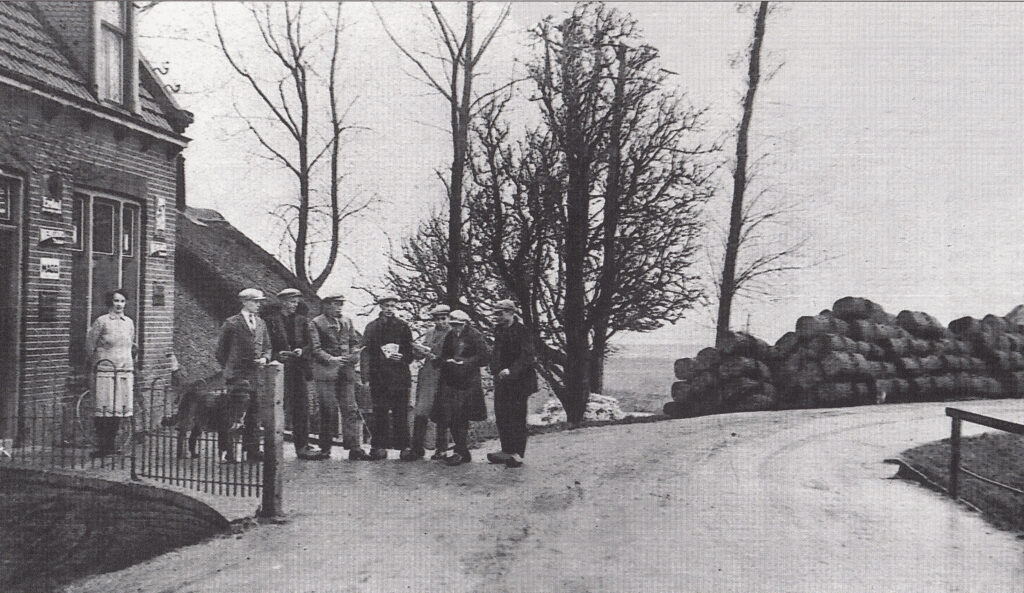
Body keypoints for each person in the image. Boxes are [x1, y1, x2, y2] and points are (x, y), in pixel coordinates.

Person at [309, 292, 370, 460]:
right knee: (327, 409)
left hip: (346, 371)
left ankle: (355, 448)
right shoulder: (316, 323)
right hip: (326, 372)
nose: (339, 308)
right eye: (335, 304)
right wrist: (331, 359)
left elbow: (354, 342)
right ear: (326, 305)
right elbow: (315, 348)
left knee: (351, 409)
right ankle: (325, 448)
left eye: (341, 304)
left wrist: (355, 354)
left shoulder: (347, 321)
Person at [215, 288, 272, 463]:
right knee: (234, 414)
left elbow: (267, 347)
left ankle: (252, 450)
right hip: (238, 376)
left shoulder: (261, 323)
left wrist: (264, 358)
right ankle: (228, 451)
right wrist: (231, 368)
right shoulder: (231, 323)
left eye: (259, 302)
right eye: (255, 301)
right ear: (245, 302)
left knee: (254, 413)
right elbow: (220, 351)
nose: (258, 305)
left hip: (256, 376)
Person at [264, 288, 321, 460]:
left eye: (296, 302)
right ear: (282, 302)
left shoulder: (302, 321)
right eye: (291, 301)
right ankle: (271, 447)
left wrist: (301, 351)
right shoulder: (271, 321)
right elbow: (265, 344)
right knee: (275, 407)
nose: (295, 305)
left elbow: (310, 345)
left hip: (297, 368)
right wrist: (276, 355)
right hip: (277, 369)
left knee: (301, 407)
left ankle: (302, 446)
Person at [361, 293, 414, 460]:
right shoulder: (372, 327)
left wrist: (403, 357)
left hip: (399, 377)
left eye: (392, 306)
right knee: (380, 412)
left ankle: (404, 447)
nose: (389, 309)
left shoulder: (403, 326)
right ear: (381, 307)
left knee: (401, 412)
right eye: (386, 306)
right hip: (379, 377)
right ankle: (378, 446)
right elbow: (366, 352)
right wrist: (366, 377)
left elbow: (410, 351)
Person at [85, 289, 136, 457]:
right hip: (105, 371)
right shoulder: (102, 321)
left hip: (123, 371)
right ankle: (103, 446)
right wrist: (96, 362)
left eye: (122, 301)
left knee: (118, 409)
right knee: (104, 408)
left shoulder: (129, 322)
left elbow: (130, 343)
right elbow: (90, 344)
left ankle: (112, 445)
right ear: (110, 303)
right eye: (116, 301)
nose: (119, 304)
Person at [434, 310, 489, 466]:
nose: (456, 327)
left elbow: (484, 356)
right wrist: (445, 361)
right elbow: (445, 354)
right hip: (451, 379)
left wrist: (465, 362)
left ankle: (461, 451)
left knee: (462, 415)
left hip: (468, 381)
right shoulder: (450, 335)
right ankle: (461, 451)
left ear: (465, 323)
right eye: (453, 324)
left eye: (459, 325)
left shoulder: (475, 335)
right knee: (450, 415)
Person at [487, 299, 537, 468]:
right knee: (502, 415)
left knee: (517, 417)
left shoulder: (523, 331)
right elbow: (496, 352)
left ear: (510, 312)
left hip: (520, 381)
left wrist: (511, 370)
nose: (497, 317)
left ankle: (517, 453)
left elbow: (527, 356)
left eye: (500, 313)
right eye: (496, 314)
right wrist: (494, 369)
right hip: (502, 380)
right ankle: (506, 450)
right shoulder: (499, 330)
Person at [400, 304, 451, 461]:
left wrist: (438, 357)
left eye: (443, 318)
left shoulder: (453, 333)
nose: (440, 322)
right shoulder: (429, 332)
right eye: (437, 319)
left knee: (442, 411)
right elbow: (422, 353)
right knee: (421, 410)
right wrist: (418, 352)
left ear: (448, 318)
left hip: (445, 375)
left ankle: (441, 449)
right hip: (428, 375)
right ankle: (417, 448)